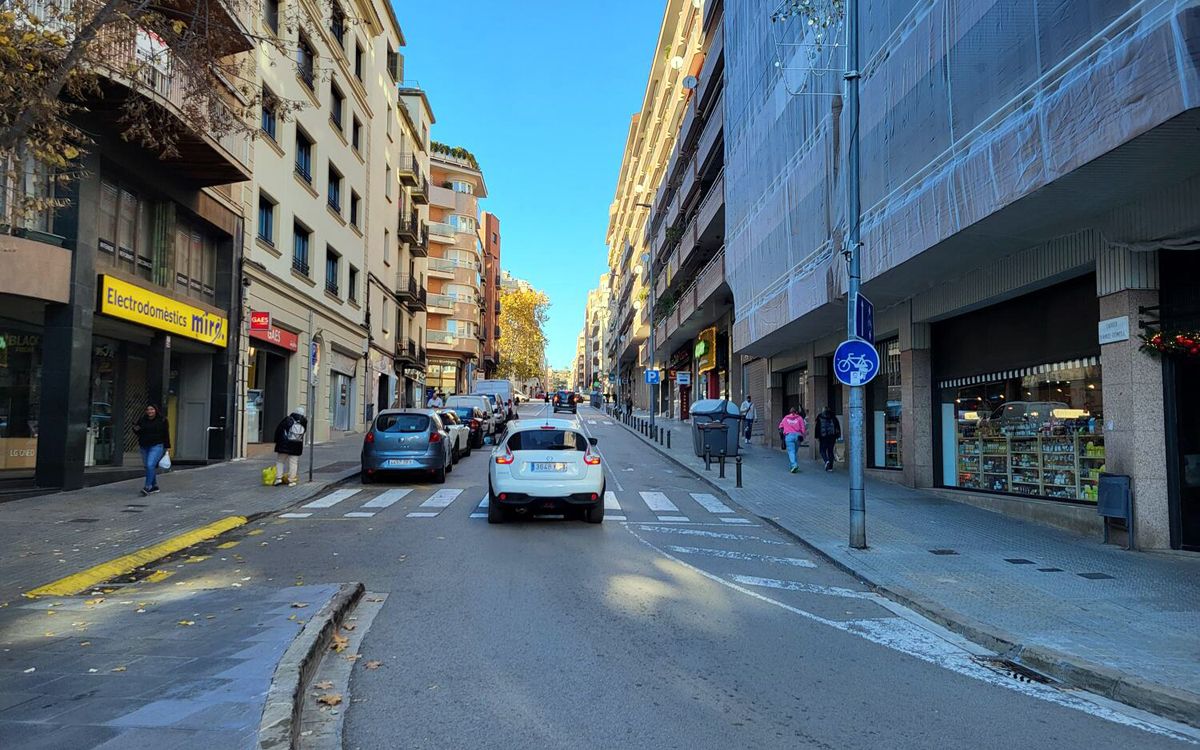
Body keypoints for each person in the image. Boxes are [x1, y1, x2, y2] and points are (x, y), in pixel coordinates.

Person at [132, 404, 170, 496]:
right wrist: (135, 429)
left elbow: (166, 434)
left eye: (152, 409)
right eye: (148, 409)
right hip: (144, 446)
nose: (150, 411)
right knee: (148, 466)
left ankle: (147, 487)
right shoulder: (142, 420)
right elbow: (138, 431)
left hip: (157, 445)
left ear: (156, 410)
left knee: (150, 465)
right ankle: (154, 486)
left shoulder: (162, 420)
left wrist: (167, 447)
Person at [273, 406, 307, 486]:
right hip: (296, 445)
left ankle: (278, 478)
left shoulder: (288, 419)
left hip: (285, 444)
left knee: (280, 461)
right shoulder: (304, 422)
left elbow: (279, 430)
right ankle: (292, 480)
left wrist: (276, 441)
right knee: (294, 462)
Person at [778, 407, 806, 473]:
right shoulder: (800, 418)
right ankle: (793, 465)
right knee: (794, 451)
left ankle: (794, 465)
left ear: (789, 412)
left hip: (789, 436)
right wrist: (803, 436)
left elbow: (780, 427)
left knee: (791, 451)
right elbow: (803, 428)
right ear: (796, 412)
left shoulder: (785, 418)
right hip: (798, 436)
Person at [815, 406, 841, 471]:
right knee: (830, 451)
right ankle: (830, 467)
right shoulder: (833, 417)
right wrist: (837, 436)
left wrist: (817, 436)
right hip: (832, 437)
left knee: (822, 450)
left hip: (823, 436)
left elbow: (817, 427)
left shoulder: (820, 417)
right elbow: (837, 427)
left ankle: (826, 461)